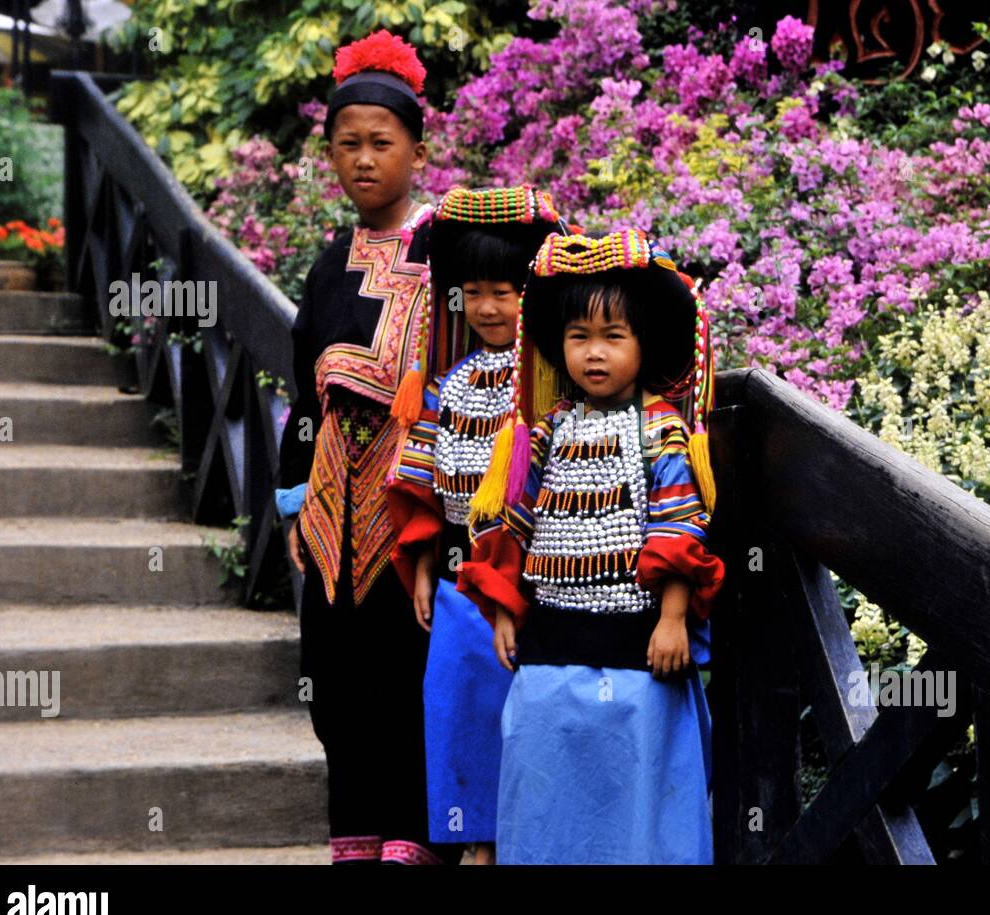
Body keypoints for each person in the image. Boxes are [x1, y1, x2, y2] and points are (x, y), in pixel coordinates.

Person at [457, 228, 725, 864]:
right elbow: (512, 525)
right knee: (545, 782)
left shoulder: (662, 429)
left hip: (640, 648)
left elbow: (680, 527)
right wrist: (501, 608)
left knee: (637, 791)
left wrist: (672, 617)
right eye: (579, 338)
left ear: (644, 344)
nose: (594, 354)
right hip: (550, 645)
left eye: (613, 337)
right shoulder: (545, 432)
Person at [274, 29, 458, 866]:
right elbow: (301, 396)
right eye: (347, 145)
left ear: (418, 148)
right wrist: (290, 501)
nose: (363, 160)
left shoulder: (446, 251)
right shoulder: (325, 265)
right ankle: (353, 833)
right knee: (337, 677)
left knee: (406, 675)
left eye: (381, 143)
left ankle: (411, 835)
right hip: (331, 506)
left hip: (414, 503)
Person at [385, 184, 568, 866]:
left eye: (505, 290)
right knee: (464, 709)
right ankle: (476, 845)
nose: (488, 307)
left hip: (535, 579)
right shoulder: (449, 384)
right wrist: (425, 565)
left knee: (532, 722)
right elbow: (422, 481)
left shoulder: (552, 385)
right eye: (474, 291)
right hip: (464, 584)